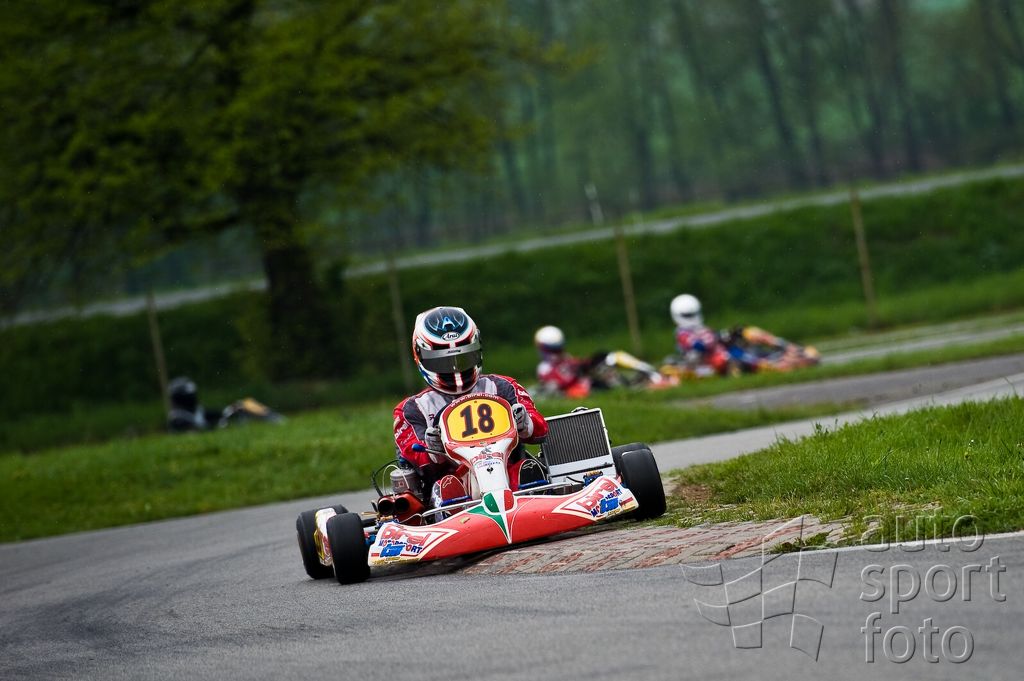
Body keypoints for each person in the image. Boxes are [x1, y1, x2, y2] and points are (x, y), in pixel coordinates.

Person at [393, 306, 549, 510]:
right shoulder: (413, 409)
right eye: (443, 362)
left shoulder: (502, 387)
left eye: (463, 359)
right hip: (454, 486)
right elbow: (415, 457)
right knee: (447, 486)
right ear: (421, 356)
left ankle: (532, 500)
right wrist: (433, 450)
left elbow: (541, 429)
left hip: (508, 476)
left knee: (525, 471)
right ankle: (452, 511)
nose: (455, 370)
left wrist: (525, 423)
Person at [534, 325, 671, 397]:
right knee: (604, 378)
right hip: (581, 390)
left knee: (609, 357)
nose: (557, 352)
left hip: (588, 381)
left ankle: (650, 374)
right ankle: (643, 383)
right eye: (553, 349)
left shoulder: (566, 359)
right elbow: (559, 383)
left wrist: (590, 363)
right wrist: (578, 372)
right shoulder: (544, 368)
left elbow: (580, 364)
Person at [669, 294, 761, 376]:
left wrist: (728, 334)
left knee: (742, 339)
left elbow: (713, 337)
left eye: (692, 314)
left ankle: (758, 358)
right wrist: (717, 338)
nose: (691, 318)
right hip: (701, 360)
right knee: (716, 357)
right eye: (687, 315)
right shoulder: (682, 333)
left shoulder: (702, 328)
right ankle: (747, 364)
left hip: (715, 354)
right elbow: (698, 345)